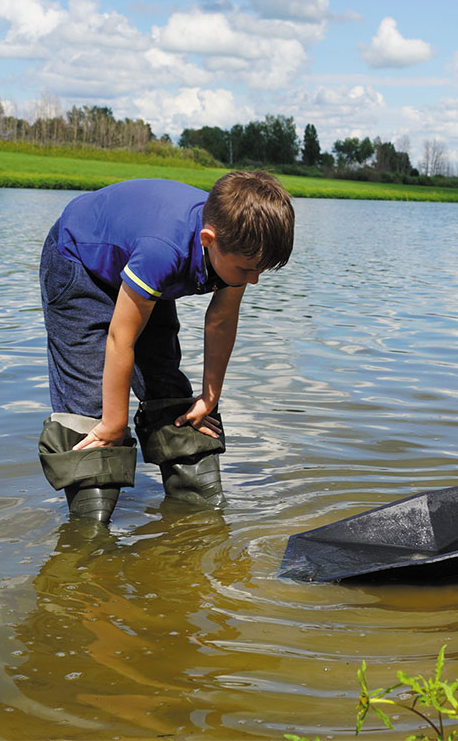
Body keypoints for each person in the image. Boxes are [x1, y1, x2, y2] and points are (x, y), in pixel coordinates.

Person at [37, 171, 294, 523]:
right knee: (91, 411)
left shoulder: (240, 240)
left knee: (171, 392)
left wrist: (209, 396)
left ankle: (199, 509)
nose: (254, 279)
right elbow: (120, 338)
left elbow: (220, 320)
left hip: (140, 264)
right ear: (208, 239)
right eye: (248, 270)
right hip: (79, 260)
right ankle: (88, 540)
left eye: (260, 270)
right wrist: (115, 423)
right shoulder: (164, 250)